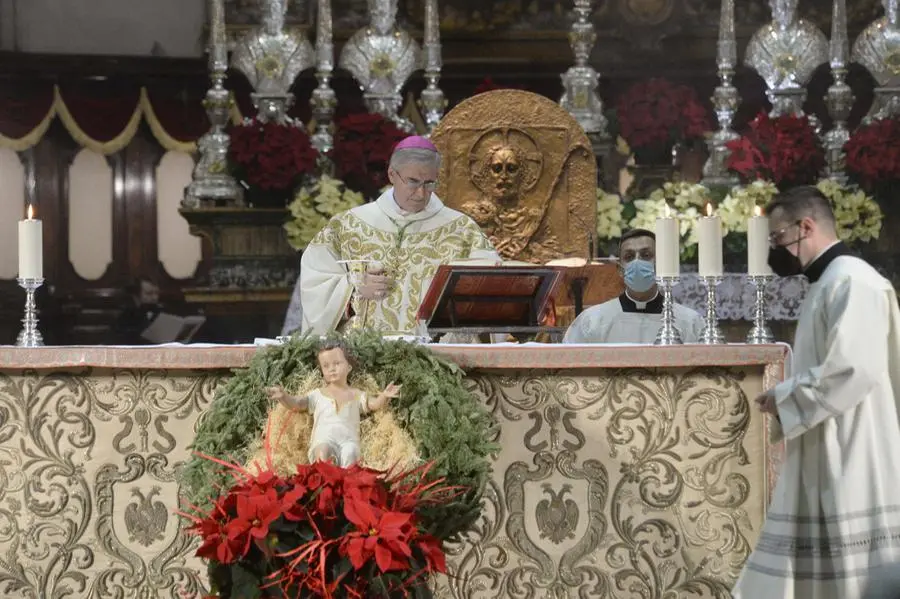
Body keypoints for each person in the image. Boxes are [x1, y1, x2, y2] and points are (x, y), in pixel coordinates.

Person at [733, 186, 900, 599]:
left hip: (853, 441)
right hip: (828, 433)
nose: (775, 249)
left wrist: (786, 396)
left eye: (776, 239)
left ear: (804, 227)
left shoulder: (853, 282)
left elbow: (854, 368)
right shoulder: (830, 281)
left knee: (853, 572)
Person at [299, 135, 500, 335]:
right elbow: (315, 281)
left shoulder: (462, 230)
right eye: (413, 181)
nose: (421, 193)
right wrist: (353, 290)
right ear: (392, 175)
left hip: (436, 358)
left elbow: (491, 289)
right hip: (363, 356)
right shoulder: (347, 225)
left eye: (429, 183)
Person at [265, 339, 401, 467]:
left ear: (349, 367)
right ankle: (324, 487)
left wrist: (384, 396)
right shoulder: (318, 394)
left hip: (349, 441)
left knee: (351, 453)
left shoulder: (356, 394)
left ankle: (348, 488)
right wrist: (284, 397)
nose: (332, 369)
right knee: (323, 451)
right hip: (324, 440)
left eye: (337, 363)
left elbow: (374, 404)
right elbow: (298, 403)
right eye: (326, 366)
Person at [562, 228, 703, 344]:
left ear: (661, 264)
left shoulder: (690, 322)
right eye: (629, 257)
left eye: (646, 255)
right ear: (620, 270)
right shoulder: (592, 322)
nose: (637, 262)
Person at [113, 277, 162, 345]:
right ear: (136, 296)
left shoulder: (160, 312)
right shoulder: (125, 317)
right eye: (149, 293)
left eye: (157, 293)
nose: (155, 297)